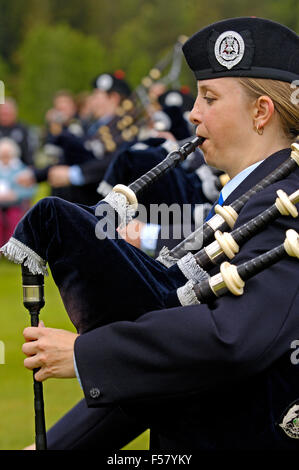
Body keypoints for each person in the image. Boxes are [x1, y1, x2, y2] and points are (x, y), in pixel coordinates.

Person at [6, 17, 299, 450]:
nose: (193, 113)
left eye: (210, 98)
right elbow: (171, 375)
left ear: (261, 112)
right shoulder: (250, 201)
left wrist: (84, 354)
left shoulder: (285, 207)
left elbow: (229, 340)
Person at [0, 138, 36, 245]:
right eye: (3, 154)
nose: (5, 157)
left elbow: (31, 190)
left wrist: (16, 194)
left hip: (16, 204)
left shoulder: (21, 169)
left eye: (8, 154)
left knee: (14, 217)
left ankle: (13, 247)